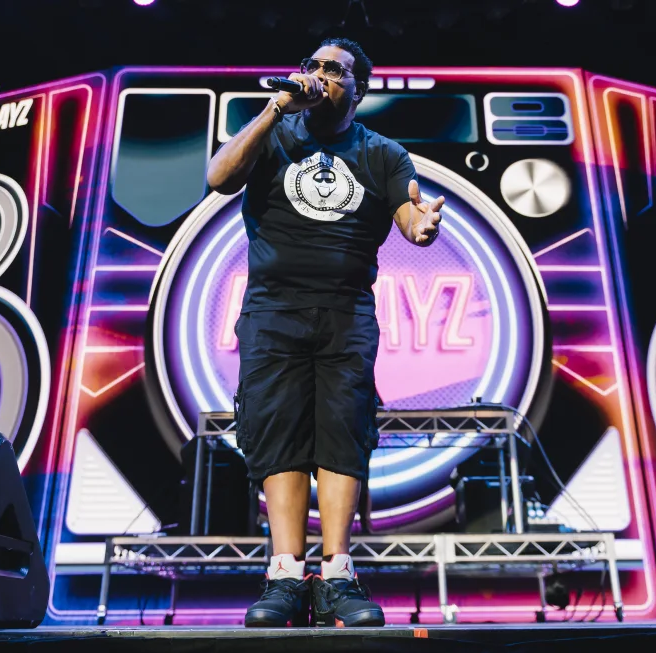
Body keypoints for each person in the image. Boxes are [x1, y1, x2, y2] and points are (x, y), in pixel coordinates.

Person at [205, 37, 444, 628]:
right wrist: (273, 110)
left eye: (334, 70)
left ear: (357, 89)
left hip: (345, 311)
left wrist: (422, 227)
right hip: (272, 309)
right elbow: (218, 177)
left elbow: (409, 217)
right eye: (312, 66)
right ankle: (285, 575)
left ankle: (338, 576)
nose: (318, 75)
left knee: (342, 432)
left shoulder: (383, 154)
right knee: (277, 429)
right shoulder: (274, 135)